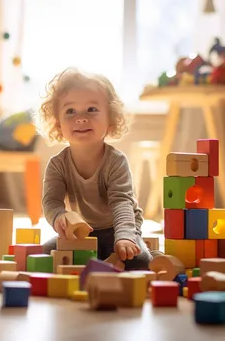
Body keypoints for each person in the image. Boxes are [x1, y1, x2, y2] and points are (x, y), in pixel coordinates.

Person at [34, 67, 161, 270]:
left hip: (118, 228)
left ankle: (146, 250)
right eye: (70, 111)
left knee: (139, 261)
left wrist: (125, 238)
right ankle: (100, 260)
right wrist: (59, 217)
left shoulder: (116, 162)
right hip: (83, 232)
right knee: (43, 255)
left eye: (92, 109)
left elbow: (122, 203)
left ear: (110, 120)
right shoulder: (57, 165)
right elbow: (51, 201)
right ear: (58, 124)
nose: (81, 118)